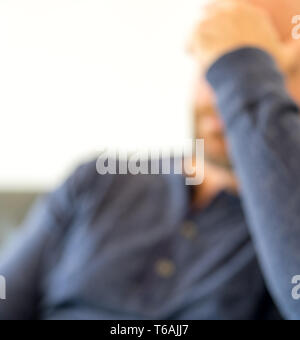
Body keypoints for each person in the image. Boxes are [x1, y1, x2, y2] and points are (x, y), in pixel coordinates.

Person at [0, 0, 298, 320]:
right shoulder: (100, 179)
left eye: (264, 71)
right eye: (214, 62)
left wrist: (243, 71)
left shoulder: (284, 224)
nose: (223, 94)